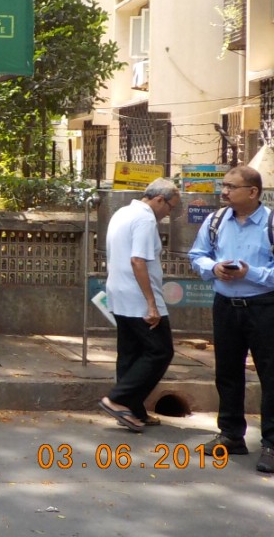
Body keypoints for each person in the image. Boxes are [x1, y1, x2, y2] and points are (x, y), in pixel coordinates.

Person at [189, 165, 274, 474]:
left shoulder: (271, 223)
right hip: (225, 304)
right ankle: (230, 435)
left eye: (230, 187)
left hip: (265, 307)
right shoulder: (215, 221)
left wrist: (250, 272)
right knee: (227, 371)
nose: (223, 191)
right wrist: (214, 268)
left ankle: (271, 444)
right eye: (223, 185)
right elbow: (197, 254)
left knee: (271, 375)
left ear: (253, 192)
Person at [96, 178, 180, 432]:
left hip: (118, 292)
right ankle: (118, 399)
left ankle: (133, 410)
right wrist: (151, 304)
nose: (169, 213)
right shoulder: (144, 219)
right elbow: (138, 261)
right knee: (160, 351)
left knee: (131, 352)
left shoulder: (123, 211)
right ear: (158, 199)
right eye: (170, 207)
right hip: (138, 296)